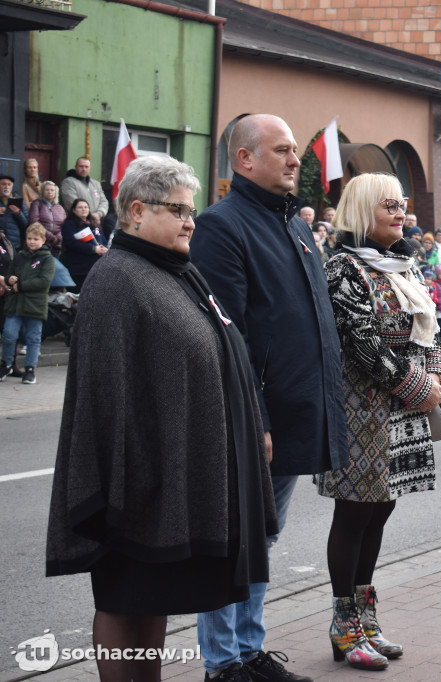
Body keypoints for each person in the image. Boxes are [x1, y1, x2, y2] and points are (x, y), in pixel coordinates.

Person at [45, 155, 278, 682]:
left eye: (191, 210)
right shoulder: (116, 279)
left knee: (154, 600)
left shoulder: (175, 270)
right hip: (134, 480)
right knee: (125, 600)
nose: (190, 221)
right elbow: (105, 394)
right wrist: (130, 479)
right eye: (178, 210)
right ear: (135, 211)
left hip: (169, 476)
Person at [190, 113, 349, 682]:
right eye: (281, 150)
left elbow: (310, 323)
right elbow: (227, 334)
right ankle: (223, 663)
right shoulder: (220, 226)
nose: (294, 160)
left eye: (296, 152)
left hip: (298, 409)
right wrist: (253, 419)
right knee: (236, 541)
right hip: (255, 419)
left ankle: (249, 652)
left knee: (263, 538)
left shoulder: (297, 226)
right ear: (244, 159)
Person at [317, 172, 441, 671]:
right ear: (363, 210)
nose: (401, 212)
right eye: (389, 205)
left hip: (401, 405)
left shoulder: (403, 264)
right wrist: (419, 387)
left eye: (403, 203)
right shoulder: (343, 268)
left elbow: (427, 328)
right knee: (353, 512)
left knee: (381, 510)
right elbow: (361, 344)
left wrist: (437, 376)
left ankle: (365, 620)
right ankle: (343, 625)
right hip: (360, 407)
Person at [1, 223, 55, 384]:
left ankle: (30, 369)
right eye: (29, 238)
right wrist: (10, 280)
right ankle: (7, 363)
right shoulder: (19, 256)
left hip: (35, 305)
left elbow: (44, 282)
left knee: (33, 338)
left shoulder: (47, 259)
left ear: (43, 240)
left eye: (35, 239)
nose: (32, 242)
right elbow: (10, 273)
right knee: (8, 335)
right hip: (15, 303)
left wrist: (21, 285)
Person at [61, 198, 109, 290]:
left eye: (86, 207)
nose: (83, 209)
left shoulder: (93, 223)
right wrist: (93, 249)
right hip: (79, 269)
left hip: (96, 269)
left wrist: (104, 249)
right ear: (74, 210)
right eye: (80, 207)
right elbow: (71, 243)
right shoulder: (69, 225)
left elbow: (103, 240)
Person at [60, 157, 109, 224]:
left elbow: (104, 202)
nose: (84, 169)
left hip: (96, 222)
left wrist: (98, 214)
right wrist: (90, 216)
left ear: (90, 168)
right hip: (77, 223)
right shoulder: (68, 182)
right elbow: (72, 203)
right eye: (81, 166)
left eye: (86, 167)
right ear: (76, 167)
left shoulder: (96, 184)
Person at [29, 181, 66, 256]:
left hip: (56, 246)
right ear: (42, 191)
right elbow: (34, 222)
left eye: (52, 190)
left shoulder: (60, 208)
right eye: (47, 190)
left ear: (56, 192)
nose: (49, 192)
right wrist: (51, 237)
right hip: (41, 244)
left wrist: (58, 238)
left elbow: (64, 226)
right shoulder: (37, 204)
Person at [1, 174, 27, 249]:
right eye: (3, 184)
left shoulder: (19, 201)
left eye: (9, 184)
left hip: (14, 244)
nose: (6, 187)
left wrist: (18, 214)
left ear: (12, 186)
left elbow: (26, 225)